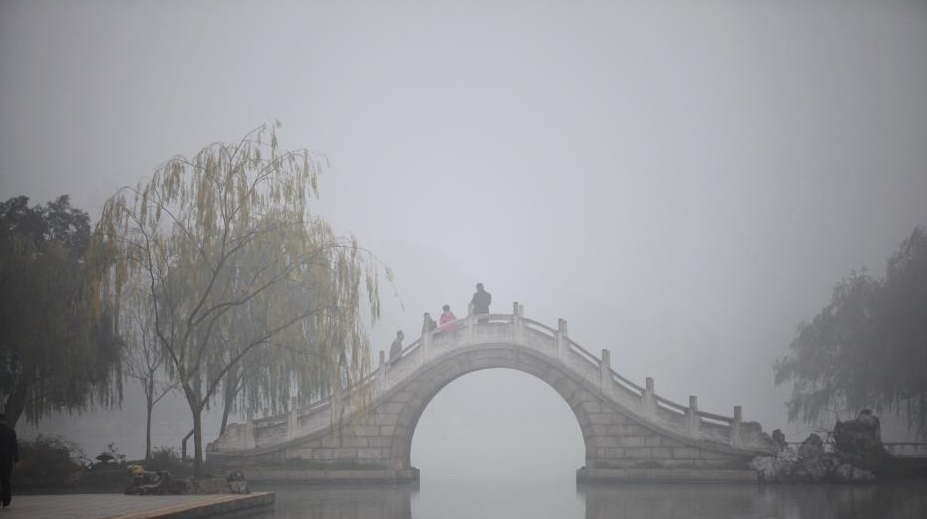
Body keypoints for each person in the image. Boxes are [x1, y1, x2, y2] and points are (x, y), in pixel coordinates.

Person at [0, 413, 18, 509]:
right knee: (6, 480)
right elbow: (14, 447)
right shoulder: (11, 432)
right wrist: (16, 459)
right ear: (5, 420)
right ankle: (6, 500)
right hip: (7, 460)